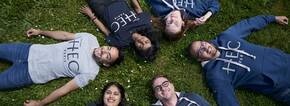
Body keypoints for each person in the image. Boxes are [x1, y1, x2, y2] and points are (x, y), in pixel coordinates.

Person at [0, 28, 123, 106]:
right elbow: (64, 35)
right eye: (108, 48)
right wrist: (40, 32)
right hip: (27, 51)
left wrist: (40, 103)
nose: (104, 51)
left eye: (108, 56)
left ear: (106, 64)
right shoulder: (90, 38)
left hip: (29, 74)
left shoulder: (91, 73)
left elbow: (65, 89)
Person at [188, 15, 289, 105]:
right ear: (199, 59)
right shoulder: (215, 74)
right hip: (280, 86)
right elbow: (226, 99)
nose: (205, 47)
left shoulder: (225, 38)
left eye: (202, 44)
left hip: (283, 60)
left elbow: (248, 24)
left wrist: (272, 18)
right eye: (200, 51)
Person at [80, 0, 159, 61]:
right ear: (149, 39)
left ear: (137, 49)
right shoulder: (145, 24)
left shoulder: (122, 42)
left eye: (141, 46)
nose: (141, 41)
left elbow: (106, 31)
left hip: (101, 7)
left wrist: (91, 16)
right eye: (146, 42)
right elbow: (137, 8)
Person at [147, 0, 220, 40]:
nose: (172, 18)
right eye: (176, 23)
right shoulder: (195, 12)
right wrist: (206, 16)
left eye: (169, 22)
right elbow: (214, 3)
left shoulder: (160, 8)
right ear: (182, 23)